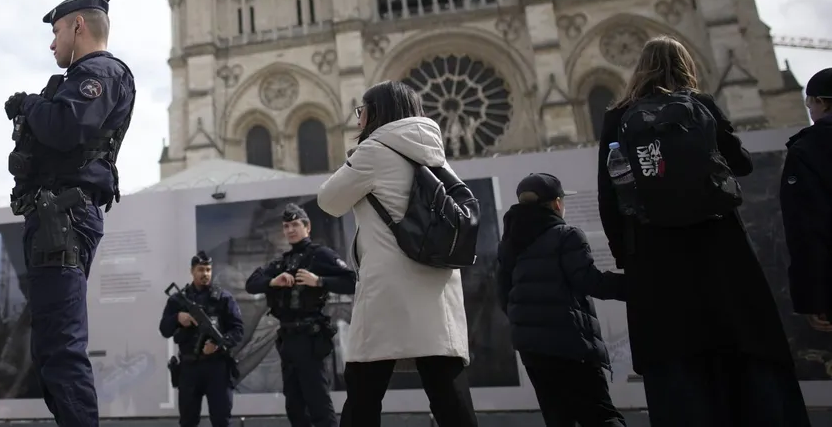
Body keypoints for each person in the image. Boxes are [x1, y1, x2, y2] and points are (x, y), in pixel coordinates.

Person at [597, 36, 809, 425]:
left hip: (654, 251)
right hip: (718, 244)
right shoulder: (700, 105)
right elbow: (741, 164)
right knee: (740, 341)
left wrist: (625, 253)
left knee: (674, 357)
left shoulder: (618, 116)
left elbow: (608, 195)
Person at [2, 0, 137, 427]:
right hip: (55, 218)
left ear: (78, 26)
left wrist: (30, 105)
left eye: (56, 31)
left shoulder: (98, 71)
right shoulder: (89, 75)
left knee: (61, 349)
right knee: (50, 350)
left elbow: (66, 127)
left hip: (63, 219)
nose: (52, 43)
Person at [317, 80, 477, 427]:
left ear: (377, 113)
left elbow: (328, 200)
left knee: (364, 386)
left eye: (362, 111)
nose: (358, 120)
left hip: (389, 286)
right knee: (445, 385)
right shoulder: (434, 151)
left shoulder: (374, 151)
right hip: (437, 281)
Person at [497, 173, 627, 427]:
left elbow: (504, 296)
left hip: (532, 350)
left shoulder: (509, 243)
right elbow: (590, 281)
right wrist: (639, 286)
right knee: (602, 416)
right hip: (571, 345)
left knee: (558, 419)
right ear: (557, 203)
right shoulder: (567, 236)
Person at [244, 203, 356, 427]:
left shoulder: (320, 255)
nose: (290, 230)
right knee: (294, 407)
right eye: (286, 226)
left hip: (309, 337)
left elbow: (351, 281)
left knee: (318, 403)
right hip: (287, 339)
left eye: (295, 224)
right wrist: (272, 281)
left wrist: (320, 281)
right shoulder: (282, 262)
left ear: (307, 227)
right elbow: (251, 284)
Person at [159, 251, 245, 427]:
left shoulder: (223, 298)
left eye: (208, 269)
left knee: (221, 420)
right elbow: (164, 329)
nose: (205, 274)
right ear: (192, 271)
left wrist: (218, 345)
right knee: (188, 421)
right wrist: (177, 318)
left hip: (217, 368)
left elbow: (238, 330)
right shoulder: (178, 300)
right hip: (189, 368)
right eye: (200, 269)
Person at [780, 67, 832, 333]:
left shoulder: (808, 150)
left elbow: (807, 228)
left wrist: (812, 299)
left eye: (809, 103)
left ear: (821, 102)